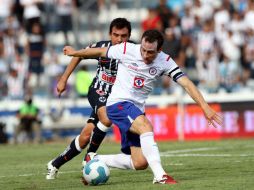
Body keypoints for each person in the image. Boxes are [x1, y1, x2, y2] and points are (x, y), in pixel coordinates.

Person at [63, 29, 223, 185]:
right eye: (143, 50)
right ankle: (161, 176)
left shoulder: (165, 61)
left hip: (136, 109)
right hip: (118, 104)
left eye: (150, 52)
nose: (145, 55)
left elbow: (186, 84)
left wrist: (205, 107)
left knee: (139, 162)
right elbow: (98, 52)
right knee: (146, 127)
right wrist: (75, 52)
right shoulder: (126, 49)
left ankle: (95, 158)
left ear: (159, 50)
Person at [46, 18, 132, 180]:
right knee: (106, 118)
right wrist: (63, 79)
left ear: (129, 36)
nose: (119, 39)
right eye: (116, 35)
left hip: (116, 97)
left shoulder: (134, 50)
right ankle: (90, 157)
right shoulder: (101, 47)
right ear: (110, 34)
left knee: (86, 136)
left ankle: (54, 164)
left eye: (124, 36)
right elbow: (79, 55)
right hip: (98, 90)